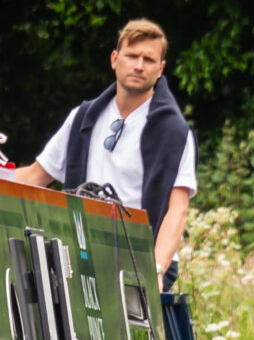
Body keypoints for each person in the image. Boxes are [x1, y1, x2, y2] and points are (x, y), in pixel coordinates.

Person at [14, 19, 197, 286]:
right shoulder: (82, 117)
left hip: (141, 259)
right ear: (115, 59)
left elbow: (177, 210)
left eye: (148, 59)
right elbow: (34, 177)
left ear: (161, 69)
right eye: (132, 56)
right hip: (81, 253)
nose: (139, 65)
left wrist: (155, 270)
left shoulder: (176, 133)